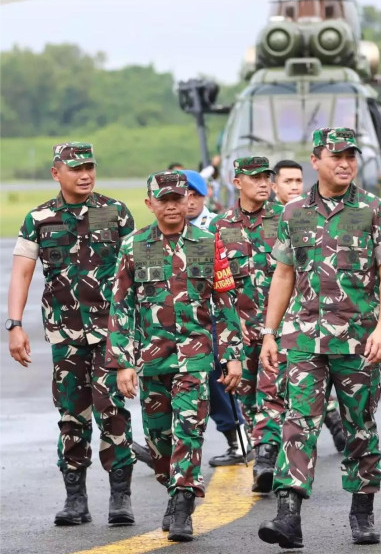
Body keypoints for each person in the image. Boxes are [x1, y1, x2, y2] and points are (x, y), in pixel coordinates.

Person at [257, 127, 381, 548]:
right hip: (303, 338)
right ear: (315, 160)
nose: (345, 163)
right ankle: (288, 515)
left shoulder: (375, 209)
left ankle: (362, 512)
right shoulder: (293, 212)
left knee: (359, 426)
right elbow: (284, 274)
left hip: (358, 338)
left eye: (351, 156)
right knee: (298, 424)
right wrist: (270, 332)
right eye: (336, 156)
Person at [107, 170, 243, 542]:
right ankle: (173, 486)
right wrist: (123, 362)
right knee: (158, 439)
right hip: (152, 360)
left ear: (188, 201)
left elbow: (225, 301)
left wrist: (232, 355)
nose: (171, 206)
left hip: (195, 358)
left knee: (189, 430)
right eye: (163, 200)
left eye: (177, 199)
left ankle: (183, 503)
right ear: (149, 203)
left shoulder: (208, 243)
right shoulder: (132, 247)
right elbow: (120, 307)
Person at [7, 142, 136, 527]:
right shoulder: (39, 218)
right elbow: (22, 272)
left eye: (90, 167)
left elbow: (134, 273)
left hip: (113, 335)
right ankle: (75, 499)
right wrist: (14, 325)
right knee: (71, 416)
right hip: (65, 337)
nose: (85, 175)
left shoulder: (115, 212)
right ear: (56, 173)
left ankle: (120, 497)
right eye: (76, 168)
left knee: (113, 412)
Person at [209, 157, 288, 492]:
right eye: (254, 177)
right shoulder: (219, 226)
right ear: (237, 181)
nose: (262, 183)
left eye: (266, 177)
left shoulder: (285, 219)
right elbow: (216, 288)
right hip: (238, 333)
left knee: (272, 394)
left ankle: (266, 458)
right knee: (249, 398)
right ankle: (267, 450)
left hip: (278, 330)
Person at [271, 159, 348, 457]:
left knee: (298, 385)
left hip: (306, 321)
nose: (293, 187)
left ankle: (318, 432)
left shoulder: (311, 216)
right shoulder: (275, 218)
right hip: (272, 319)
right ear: (273, 185)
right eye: (287, 181)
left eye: (297, 181)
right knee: (280, 387)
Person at [176, 169, 251, 468]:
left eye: (195, 195)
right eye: (185, 195)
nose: (189, 201)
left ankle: (239, 439)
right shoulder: (165, 229)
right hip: (178, 324)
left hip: (217, 319)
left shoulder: (219, 227)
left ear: (205, 195)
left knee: (219, 380)